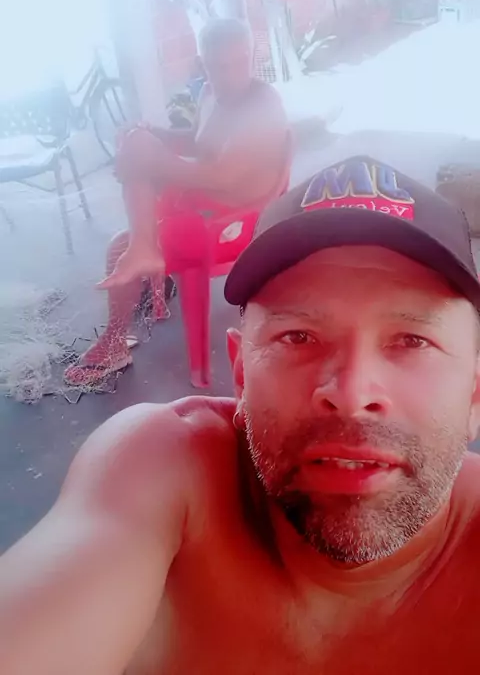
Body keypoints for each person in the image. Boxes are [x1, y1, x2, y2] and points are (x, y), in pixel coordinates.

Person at [5, 155, 480, 675]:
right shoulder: (167, 472)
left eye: (412, 340)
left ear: (475, 395)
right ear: (241, 376)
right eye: (297, 336)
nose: (350, 393)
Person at [64, 18, 288, 386]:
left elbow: (223, 176)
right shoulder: (210, 94)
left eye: (239, 62)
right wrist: (154, 136)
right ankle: (142, 253)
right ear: (203, 64)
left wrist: (152, 159)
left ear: (251, 55)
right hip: (205, 204)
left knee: (122, 237)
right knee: (138, 151)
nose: (231, 75)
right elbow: (199, 143)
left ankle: (122, 319)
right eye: (219, 66)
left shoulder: (263, 105)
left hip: (235, 221)